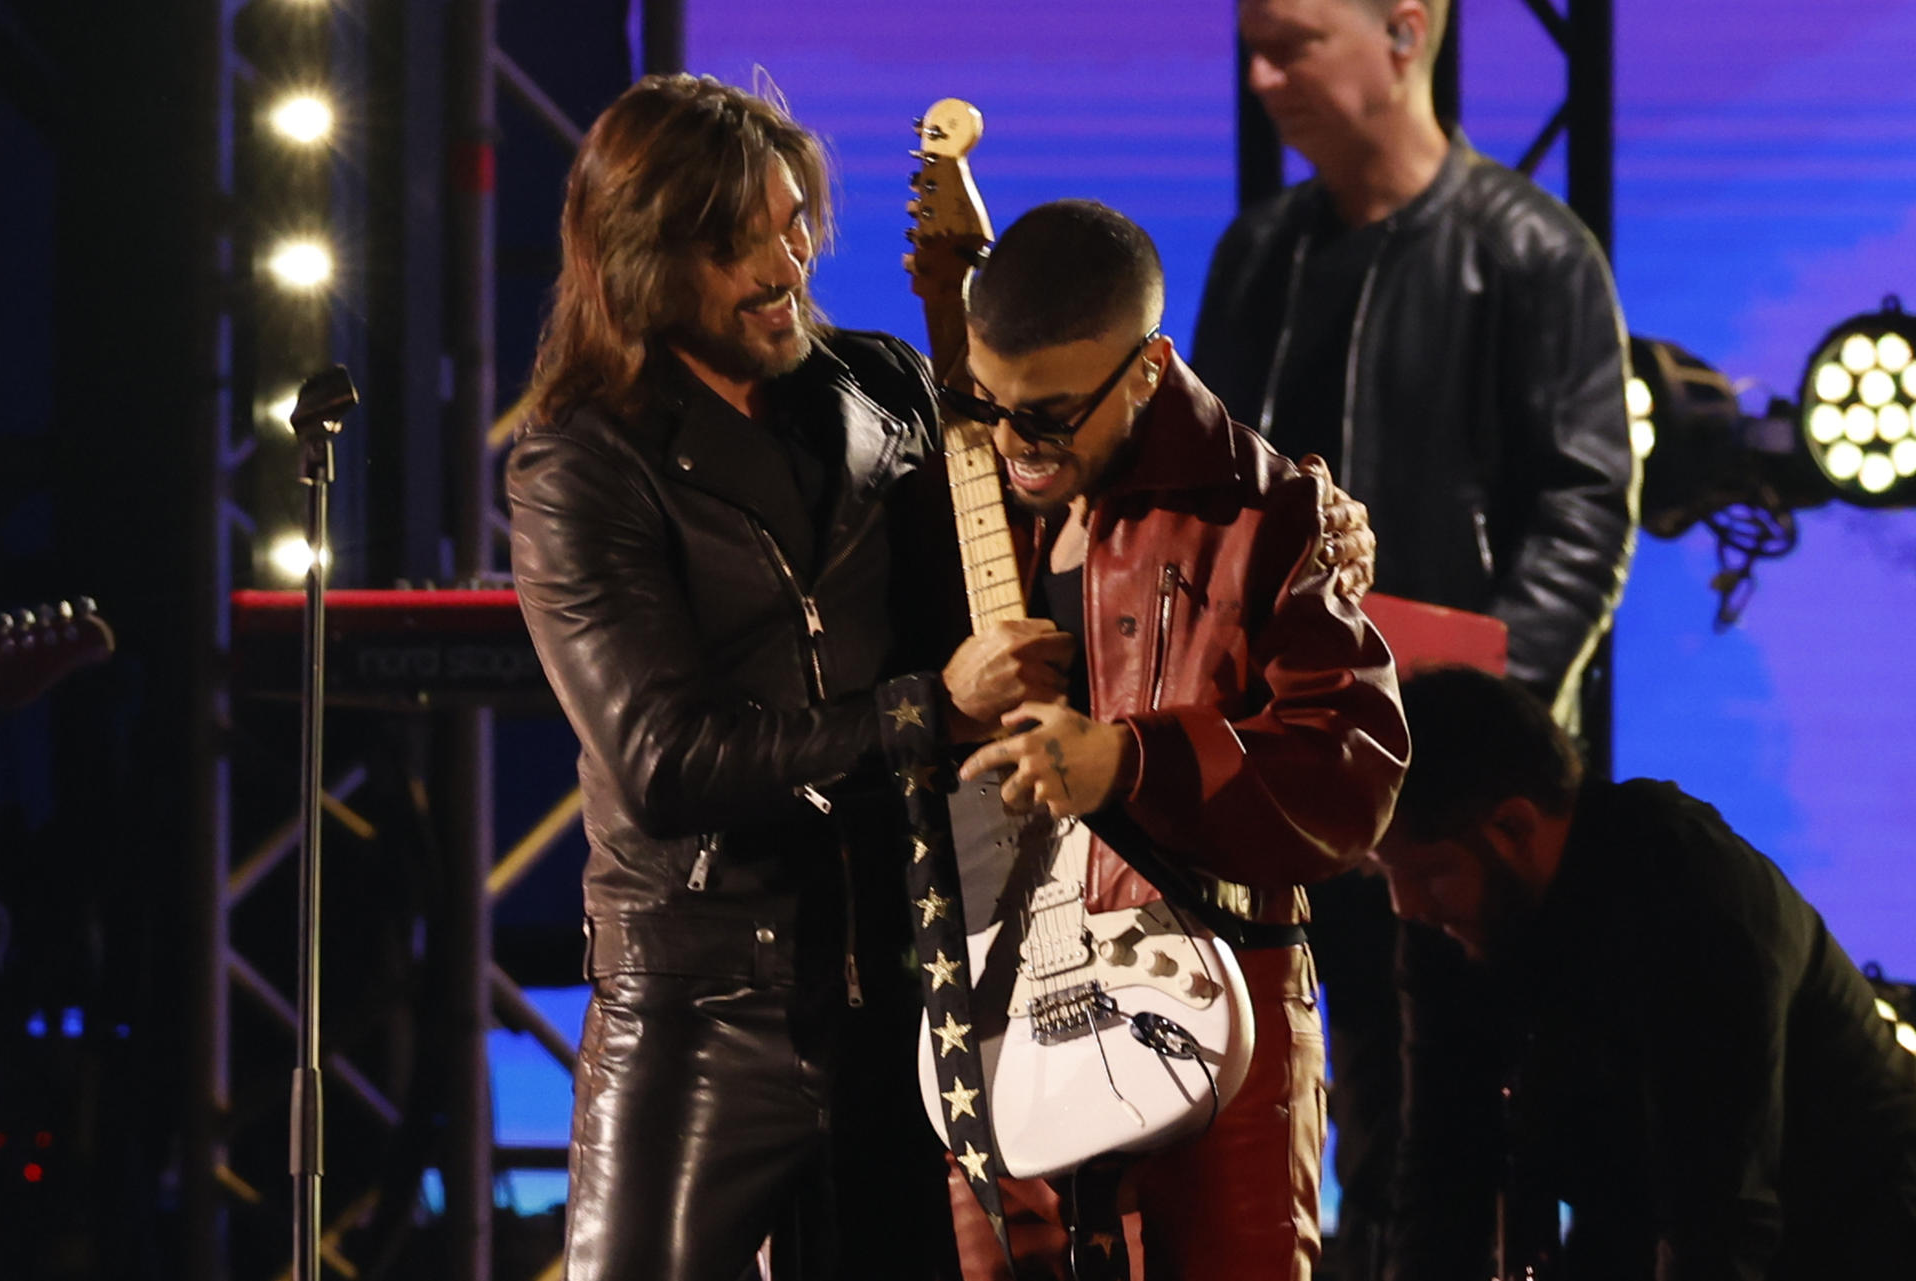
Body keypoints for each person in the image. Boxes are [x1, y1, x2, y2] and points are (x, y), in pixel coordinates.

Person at [506, 76, 1376, 1281]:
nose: (784, 263)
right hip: (701, 999)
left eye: (794, 219)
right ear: (640, 257)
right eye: (736, 242)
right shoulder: (582, 464)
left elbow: (1068, 461)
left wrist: (1298, 505)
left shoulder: (879, 393)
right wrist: (931, 708)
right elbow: (664, 761)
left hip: (910, 979)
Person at [1191, 3, 1641, 1266]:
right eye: (1253, 43)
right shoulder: (1258, 254)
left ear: (1406, 29)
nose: (1262, 73)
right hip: (1278, 762)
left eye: (1293, 41)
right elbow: (1213, 488)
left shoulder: (1529, 252)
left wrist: (1460, 739)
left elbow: (1586, 508)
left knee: (1438, 1121)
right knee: (1263, 1102)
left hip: (1434, 790)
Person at [938, 199, 1410, 1279]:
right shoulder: (974, 494)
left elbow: (1354, 771)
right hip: (1009, 1002)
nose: (1016, 443)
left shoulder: (1263, 508)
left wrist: (1129, 760)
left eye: (1049, 416)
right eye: (991, 405)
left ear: (1149, 369)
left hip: (1215, 1002)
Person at [1371, 666, 1916, 1280]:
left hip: (1854, 1228)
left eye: (1426, 873)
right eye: (1388, 873)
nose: (1405, 905)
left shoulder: (1690, 893)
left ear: (1513, 827)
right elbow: (1442, 1168)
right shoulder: (1456, 919)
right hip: (1649, 1220)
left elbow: (1719, 1217)